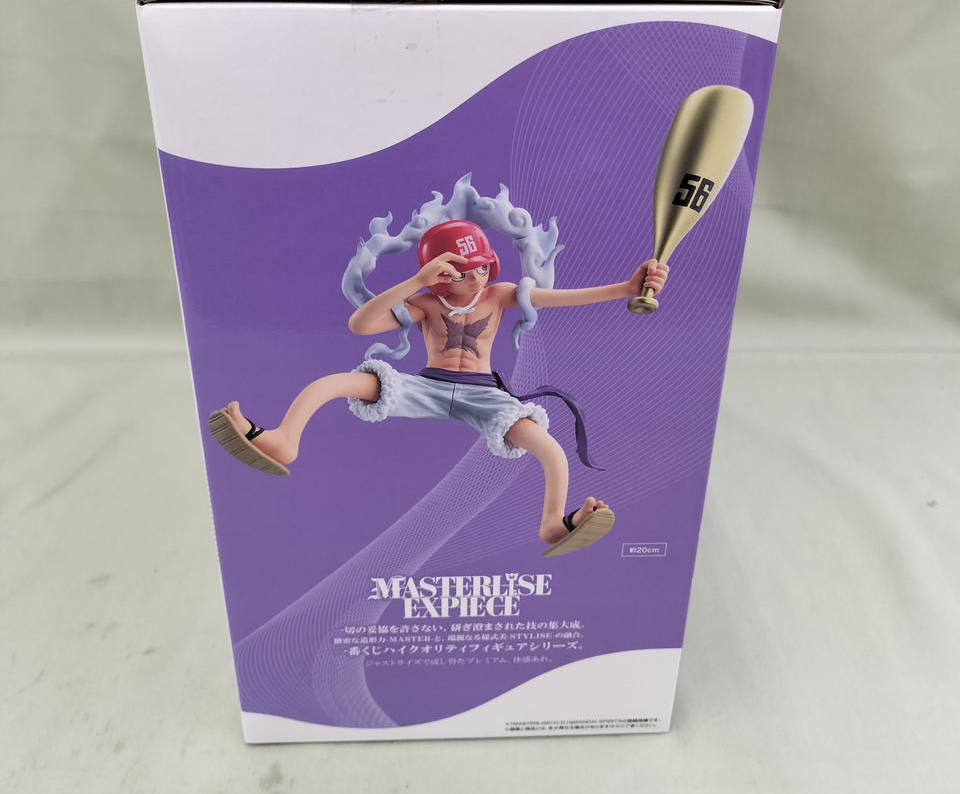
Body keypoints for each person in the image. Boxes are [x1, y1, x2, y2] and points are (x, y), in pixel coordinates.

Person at [209, 219, 667, 556]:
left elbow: (563, 299)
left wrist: (626, 288)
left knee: (550, 450)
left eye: (481, 267)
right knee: (330, 383)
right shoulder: (426, 302)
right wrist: (416, 282)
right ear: (438, 272)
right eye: (460, 271)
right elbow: (360, 325)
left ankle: (552, 523)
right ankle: (283, 441)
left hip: (483, 394)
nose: (474, 278)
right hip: (426, 386)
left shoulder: (500, 294)